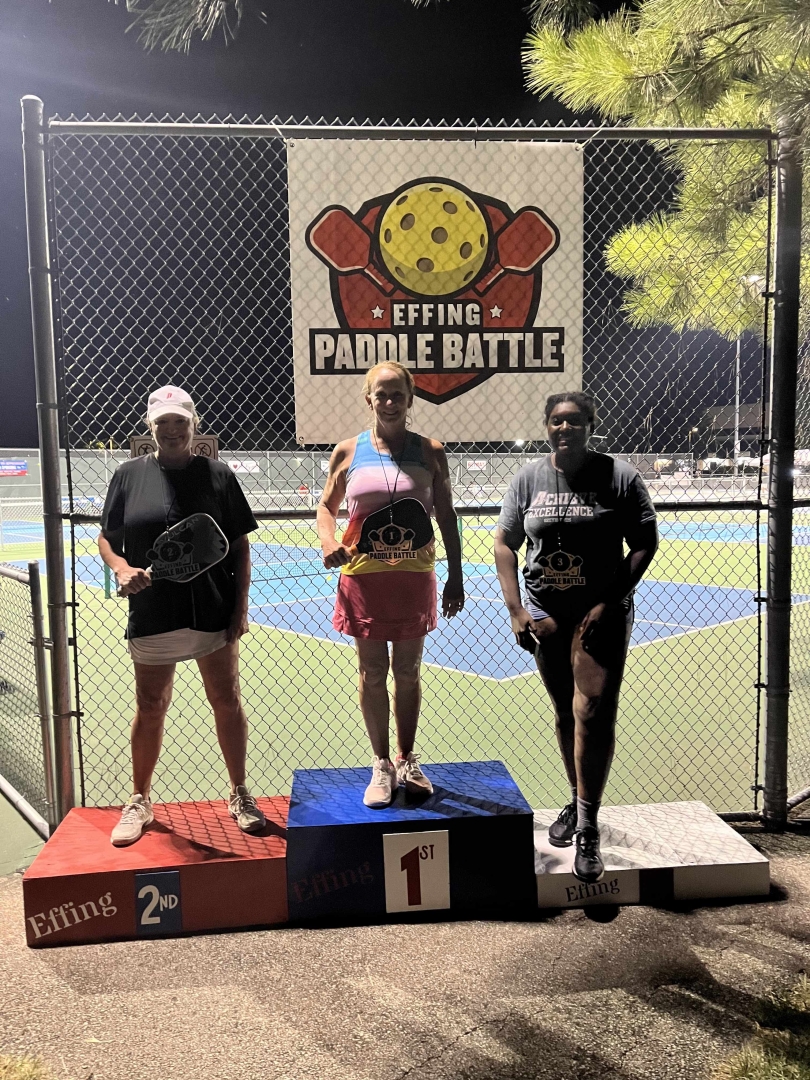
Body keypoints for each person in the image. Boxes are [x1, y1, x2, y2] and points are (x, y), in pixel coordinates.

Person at [494, 392, 658, 883]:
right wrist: (517, 609)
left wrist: (608, 603)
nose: (564, 428)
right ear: (546, 426)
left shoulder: (620, 476)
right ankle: (577, 799)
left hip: (599, 616)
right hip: (546, 614)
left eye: (574, 421)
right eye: (556, 421)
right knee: (566, 712)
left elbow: (644, 543)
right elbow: (505, 543)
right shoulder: (528, 479)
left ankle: (588, 826)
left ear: (590, 424)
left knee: (593, 711)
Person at [99, 386, 266, 845]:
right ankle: (139, 799)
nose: (172, 430)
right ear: (150, 427)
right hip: (153, 611)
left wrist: (240, 608)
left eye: (180, 422)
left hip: (212, 610)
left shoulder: (219, 475)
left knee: (226, 699)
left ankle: (239, 792)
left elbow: (239, 546)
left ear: (194, 425)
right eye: (162, 423)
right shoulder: (128, 475)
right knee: (151, 705)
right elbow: (108, 537)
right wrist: (121, 568)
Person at [317, 361, 465, 808]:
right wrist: (328, 541)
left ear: (410, 398)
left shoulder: (431, 451)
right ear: (369, 399)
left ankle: (406, 759)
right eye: (380, 394)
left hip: (413, 579)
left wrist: (456, 575)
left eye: (397, 393)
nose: (389, 401)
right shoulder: (347, 452)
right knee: (372, 672)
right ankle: (380, 763)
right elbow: (326, 507)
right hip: (362, 580)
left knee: (408, 671)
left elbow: (446, 516)